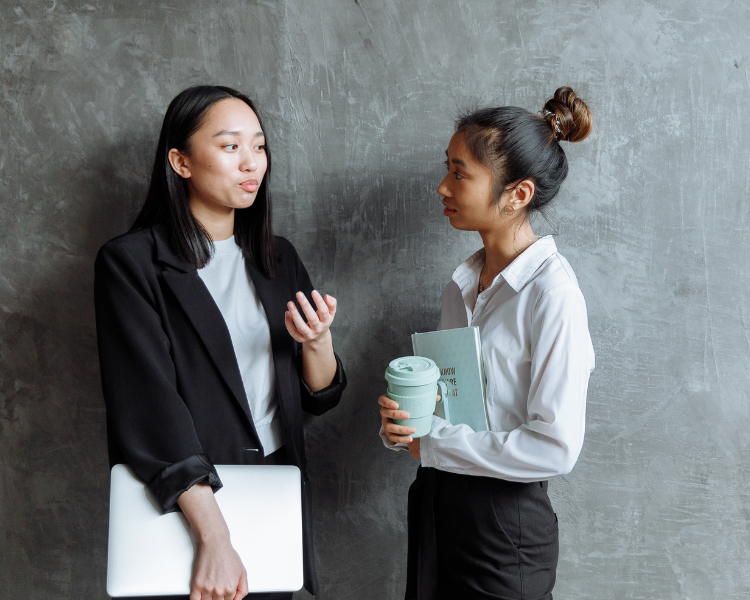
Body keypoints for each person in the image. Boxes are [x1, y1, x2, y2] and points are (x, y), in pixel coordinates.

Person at [95, 85, 347, 600]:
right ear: (180, 161)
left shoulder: (277, 258)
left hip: (274, 488)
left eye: (258, 146)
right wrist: (214, 535)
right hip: (190, 501)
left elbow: (318, 397)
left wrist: (318, 342)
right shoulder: (131, 263)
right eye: (230, 146)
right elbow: (148, 408)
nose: (251, 163)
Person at [378, 86, 596, 600]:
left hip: (504, 531)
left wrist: (430, 443)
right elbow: (451, 405)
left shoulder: (553, 294)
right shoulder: (463, 283)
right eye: (446, 168)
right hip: (437, 511)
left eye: (459, 173)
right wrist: (402, 425)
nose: (442, 187)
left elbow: (556, 446)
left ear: (517, 194)